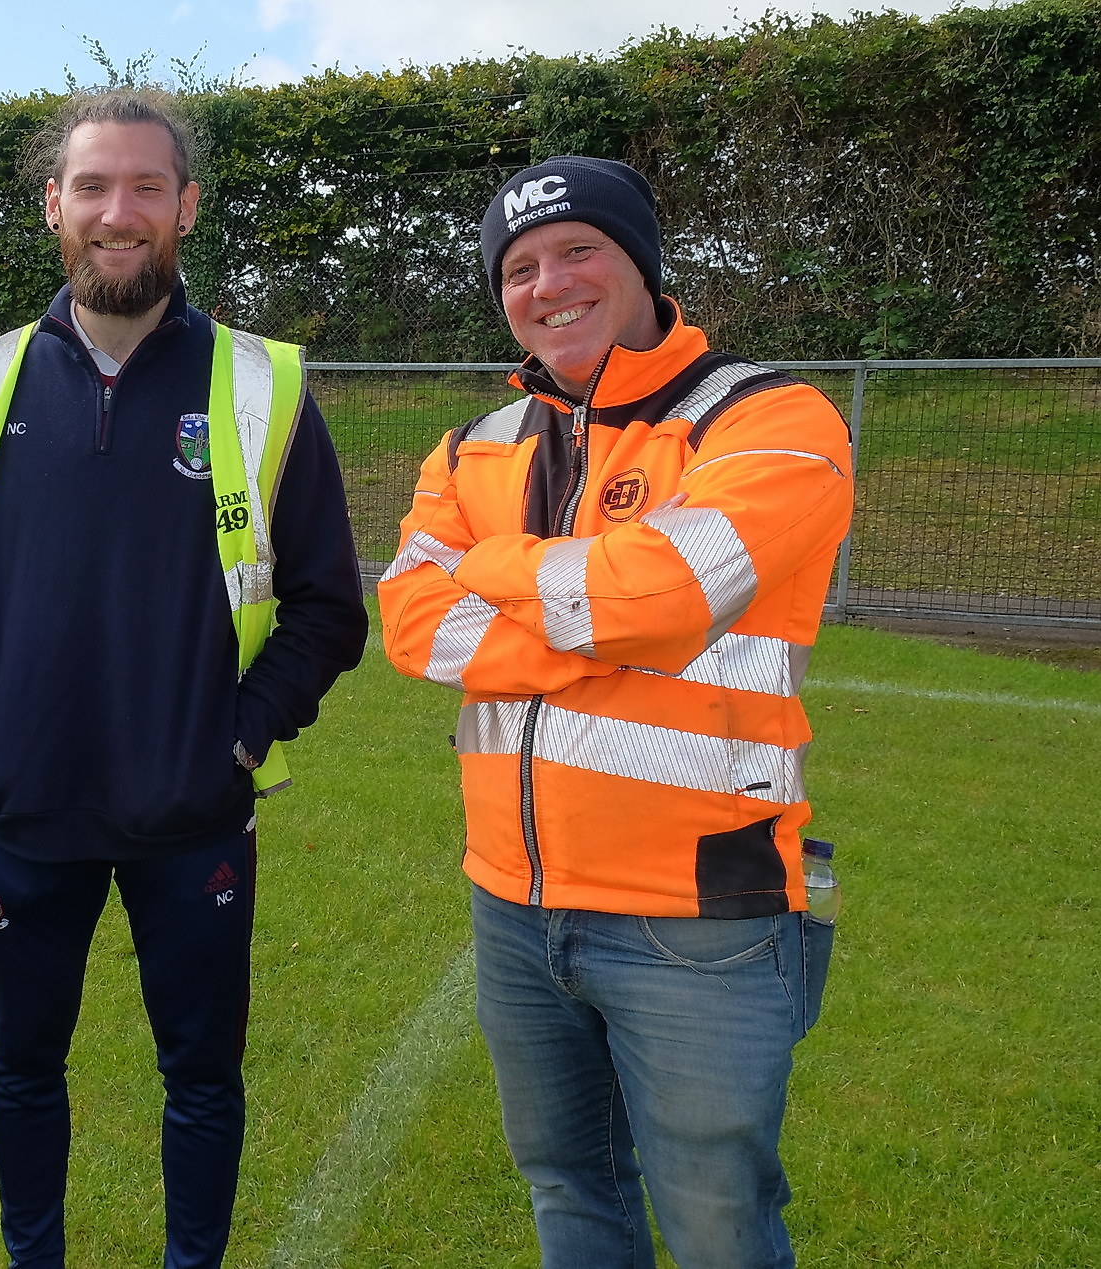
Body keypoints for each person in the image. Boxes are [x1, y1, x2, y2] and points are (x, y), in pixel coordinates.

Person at [0, 91, 368, 1269]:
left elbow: (325, 606)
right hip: (18, 815)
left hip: (191, 817)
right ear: (54, 205)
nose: (120, 213)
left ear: (186, 207)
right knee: (22, 1072)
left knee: (201, 1078)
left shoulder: (264, 388)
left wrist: (243, 736)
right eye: (93, 187)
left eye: (146, 187)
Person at [379, 156, 854, 1268]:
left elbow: (664, 596)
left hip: (699, 912)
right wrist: (590, 617)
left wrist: (493, 561)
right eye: (520, 268)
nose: (550, 285)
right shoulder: (472, 445)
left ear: (638, 263)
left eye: (579, 251)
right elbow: (410, 622)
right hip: (511, 901)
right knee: (569, 1188)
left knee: (719, 1223)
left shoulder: (771, 418)